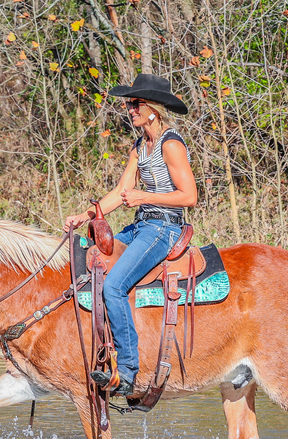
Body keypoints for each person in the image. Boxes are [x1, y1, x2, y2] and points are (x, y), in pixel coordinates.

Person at [63, 73, 197, 397]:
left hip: (164, 228)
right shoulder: (140, 146)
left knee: (114, 285)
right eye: (128, 104)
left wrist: (145, 197)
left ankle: (127, 371)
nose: (130, 109)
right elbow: (121, 191)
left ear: (153, 108)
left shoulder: (171, 144)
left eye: (135, 104)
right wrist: (88, 214)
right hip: (140, 225)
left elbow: (189, 196)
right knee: (89, 261)